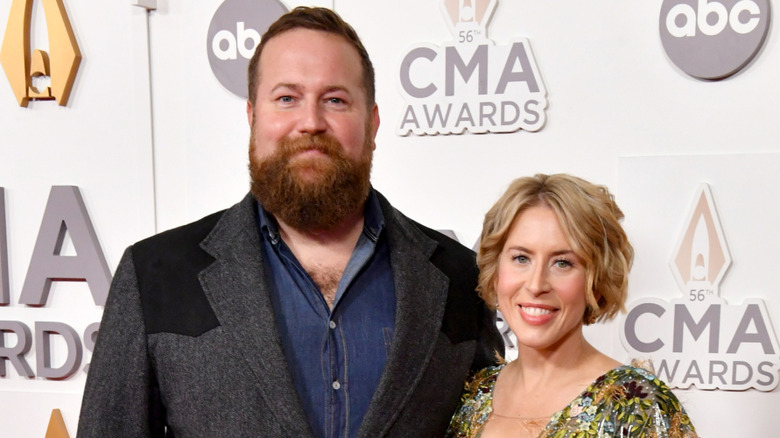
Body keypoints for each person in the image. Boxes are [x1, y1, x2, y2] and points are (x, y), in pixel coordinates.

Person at [77, 7, 502, 438]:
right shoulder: (155, 275)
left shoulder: (458, 277)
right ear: (252, 118)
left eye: (335, 100)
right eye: (287, 98)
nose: (311, 123)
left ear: (372, 123)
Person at [447, 174, 697, 438]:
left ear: (597, 279)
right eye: (521, 258)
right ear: (496, 270)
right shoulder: (471, 395)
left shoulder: (635, 404)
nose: (536, 284)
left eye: (562, 263)